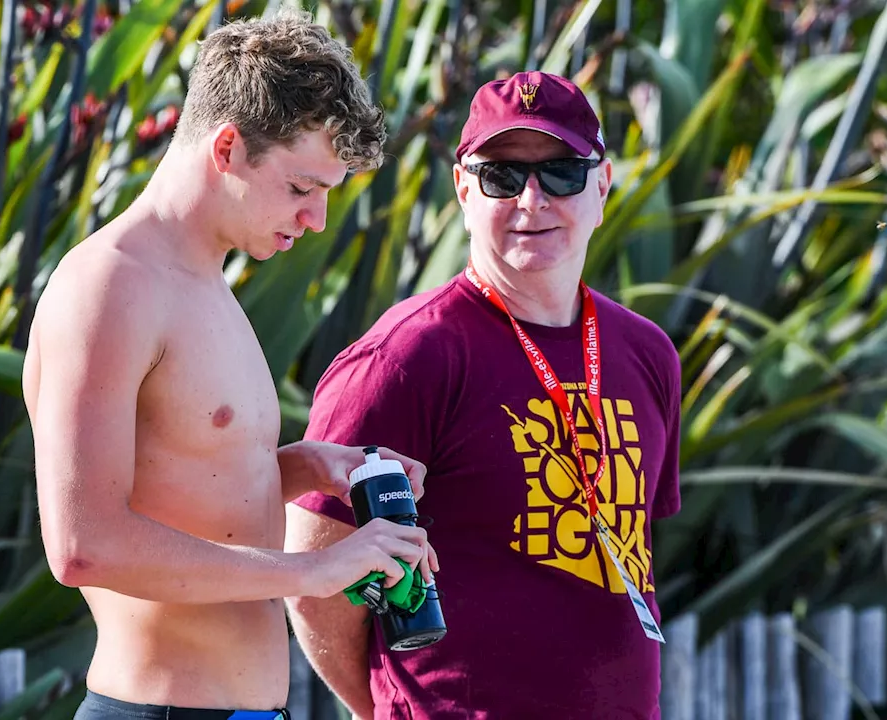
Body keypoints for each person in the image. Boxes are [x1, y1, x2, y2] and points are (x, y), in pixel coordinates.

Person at [21, 12, 439, 720]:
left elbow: (185, 496)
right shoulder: (109, 286)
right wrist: (312, 570)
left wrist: (307, 467)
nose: (317, 219)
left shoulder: (208, 286)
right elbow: (83, 544)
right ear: (227, 147)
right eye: (304, 187)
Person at [284, 70, 683, 719]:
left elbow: (631, 548)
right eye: (502, 176)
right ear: (464, 189)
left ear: (602, 185)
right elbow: (313, 578)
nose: (533, 200)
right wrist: (383, 707)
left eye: (562, 173)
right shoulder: (407, 360)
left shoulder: (646, 352)